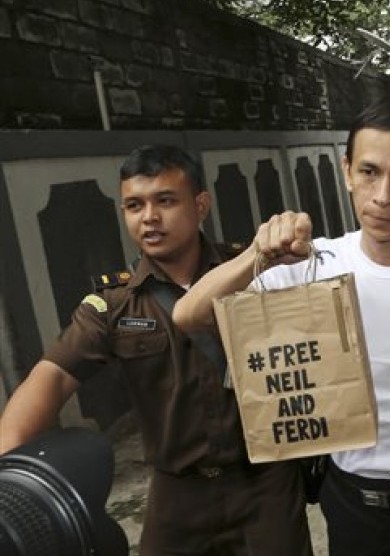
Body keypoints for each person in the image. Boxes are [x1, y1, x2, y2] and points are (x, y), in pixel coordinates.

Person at [172, 95, 390, 556]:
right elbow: (188, 315)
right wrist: (256, 256)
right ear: (346, 170)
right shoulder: (312, 265)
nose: (383, 197)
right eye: (369, 172)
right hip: (348, 501)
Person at [0, 144, 312, 556]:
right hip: (178, 492)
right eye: (134, 205)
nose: (148, 217)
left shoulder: (254, 270)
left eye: (165, 200)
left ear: (200, 205)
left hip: (264, 483)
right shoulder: (115, 303)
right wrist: (7, 473)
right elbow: (53, 377)